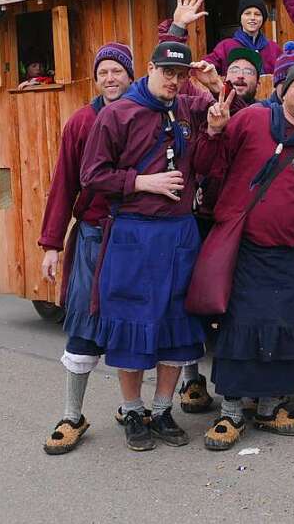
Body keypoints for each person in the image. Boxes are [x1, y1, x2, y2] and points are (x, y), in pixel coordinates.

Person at [79, 37, 220, 452]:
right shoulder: (117, 114)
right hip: (133, 233)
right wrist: (141, 182)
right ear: (150, 68)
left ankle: (162, 409)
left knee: (174, 322)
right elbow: (91, 175)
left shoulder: (188, 108)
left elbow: (234, 120)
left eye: (180, 74)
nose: (174, 80)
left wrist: (214, 88)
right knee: (130, 323)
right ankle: (133, 411)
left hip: (179, 234)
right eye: (167, 72)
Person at [191, 63, 294, 451]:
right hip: (243, 246)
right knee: (239, 327)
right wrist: (215, 131)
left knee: (283, 327)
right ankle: (232, 410)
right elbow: (210, 165)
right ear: (282, 90)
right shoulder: (252, 119)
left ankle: (271, 407)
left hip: (287, 253)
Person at [40, 42, 137, 454]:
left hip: (137, 237)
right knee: (84, 321)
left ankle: (135, 409)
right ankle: (71, 414)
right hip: (95, 236)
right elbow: (64, 184)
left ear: (132, 76)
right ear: (95, 79)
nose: (110, 78)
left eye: (118, 70)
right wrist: (51, 243)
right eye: (104, 72)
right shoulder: (81, 122)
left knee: (139, 321)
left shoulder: (147, 117)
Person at [203, 0, 281, 75]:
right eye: (247, 13)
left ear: (263, 19)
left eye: (257, 14)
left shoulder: (273, 48)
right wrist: (205, 65)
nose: (252, 18)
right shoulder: (225, 46)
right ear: (240, 18)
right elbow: (209, 64)